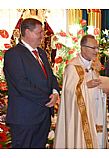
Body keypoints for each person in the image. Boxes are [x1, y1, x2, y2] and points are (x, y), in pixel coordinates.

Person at [3, 18, 59, 148]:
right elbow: (22, 85)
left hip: (43, 116)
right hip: (25, 118)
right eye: (39, 33)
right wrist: (47, 99)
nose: (42, 36)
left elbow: (51, 76)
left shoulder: (42, 53)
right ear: (27, 32)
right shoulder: (13, 54)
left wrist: (55, 92)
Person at [54, 34, 107, 149]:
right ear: (83, 48)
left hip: (95, 112)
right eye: (93, 48)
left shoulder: (93, 67)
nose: (96, 51)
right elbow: (68, 92)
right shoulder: (73, 67)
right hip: (80, 117)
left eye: (97, 48)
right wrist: (86, 85)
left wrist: (104, 89)